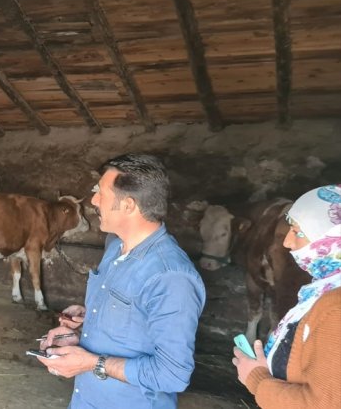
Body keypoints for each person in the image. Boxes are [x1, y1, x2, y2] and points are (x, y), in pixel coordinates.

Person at [36, 154, 206, 409]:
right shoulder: (115, 247)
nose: (94, 201)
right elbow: (132, 322)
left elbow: (173, 374)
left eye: (101, 193)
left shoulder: (170, 277)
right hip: (85, 399)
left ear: (128, 205)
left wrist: (92, 363)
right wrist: (85, 326)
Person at [232, 184, 341, 408]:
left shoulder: (335, 308)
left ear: (332, 239)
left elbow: (323, 403)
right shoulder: (323, 288)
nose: (286, 242)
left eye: (298, 232)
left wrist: (257, 379)